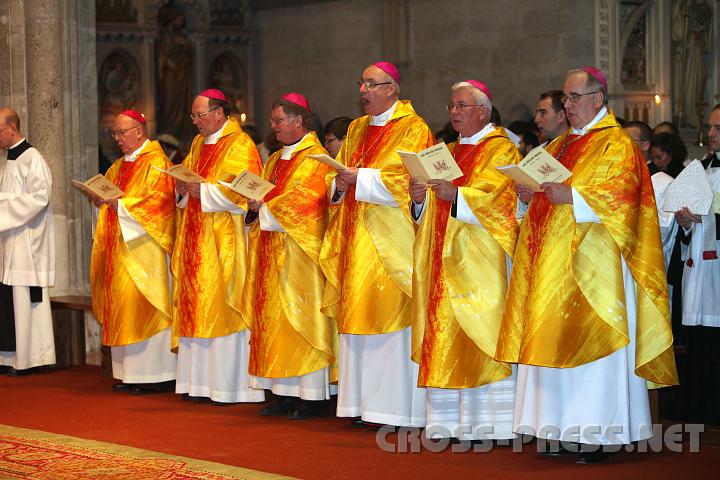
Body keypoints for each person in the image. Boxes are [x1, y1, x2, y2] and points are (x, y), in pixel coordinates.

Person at [496, 67, 678, 464]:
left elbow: (625, 200)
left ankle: (599, 432)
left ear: (598, 99)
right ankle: (558, 429)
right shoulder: (557, 146)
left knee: (594, 352)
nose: (568, 105)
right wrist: (527, 195)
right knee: (552, 343)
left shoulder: (616, 144)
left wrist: (573, 196)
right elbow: (534, 205)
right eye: (565, 98)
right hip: (550, 266)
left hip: (595, 269)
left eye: (574, 98)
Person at [319, 62, 433, 427]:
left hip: (391, 242)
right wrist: (338, 183)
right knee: (358, 319)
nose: (363, 90)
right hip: (354, 238)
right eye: (361, 83)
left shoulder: (414, 128)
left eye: (371, 84)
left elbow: (411, 180)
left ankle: (395, 409)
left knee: (390, 319)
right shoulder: (356, 128)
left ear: (392, 89)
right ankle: (361, 405)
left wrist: (360, 178)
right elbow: (337, 175)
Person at [409, 80, 520, 441]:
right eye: (452, 106)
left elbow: (502, 203)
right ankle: (450, 422)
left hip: (479, 261)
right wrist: (420, 199)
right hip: (442, 257)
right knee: (444, 333)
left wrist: (456, 194)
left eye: (462, 106)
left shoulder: (502, 150)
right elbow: (431, 207)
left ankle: (491, 424)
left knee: (479, 332)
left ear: (483, 111)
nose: (455, 112)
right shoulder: (448, 152)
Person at [242, 93, 335, 420]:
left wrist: (266, 207)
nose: (274, 126)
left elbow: (310, 202)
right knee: (275, 324)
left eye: (279, 120)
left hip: (300, 254)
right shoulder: (273, 159)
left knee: (300, 321)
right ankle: (282, 392)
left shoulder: (315, 158)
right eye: (273, 120)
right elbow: (263, 195)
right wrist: (254, 206)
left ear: (299, 120)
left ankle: (311, 397)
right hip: (271, 250)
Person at [172, 88, 265, 404]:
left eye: (200, 115)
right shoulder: (199, 144)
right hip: (196, 234)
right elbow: (188, 182)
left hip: (224, 238)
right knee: (196, 304)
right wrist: (183, 188)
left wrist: (203, 192)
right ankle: (197, 384)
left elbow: (243, 190)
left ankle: (227, 387)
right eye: (193, 116)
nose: (195, 122)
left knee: (221, 303)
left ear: (219, 113)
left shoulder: (240, 144)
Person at [90, 110, 177, 394]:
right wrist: (98, 200)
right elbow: (110, 197)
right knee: (123, 307)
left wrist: (122, 206)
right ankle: (129, 374)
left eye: (122, 133)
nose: (117, 139)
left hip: (144, 251)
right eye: (114, 134)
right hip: (119, 248)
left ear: (139, 131)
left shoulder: (157, 163)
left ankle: (156, 375)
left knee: (143, 305)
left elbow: (160, 204)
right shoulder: (117, 166)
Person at [671, 104, 720, 424]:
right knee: (700, 344)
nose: (711, 134)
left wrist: (707, 219)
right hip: (699, 269)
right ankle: (698, 412)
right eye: (710, 127)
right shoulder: (699, 168)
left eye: (718, 129)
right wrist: (687, 223)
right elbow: (687, 231)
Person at [0, 108, 55, 375]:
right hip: (8, 240)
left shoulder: (33, 158)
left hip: (26, 242)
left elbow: (40, 198)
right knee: (7, 300)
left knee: (24, 298)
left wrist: (3, 208)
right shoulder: (8, 161)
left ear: (12, 128)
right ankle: (10, 357)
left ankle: (31, 358)